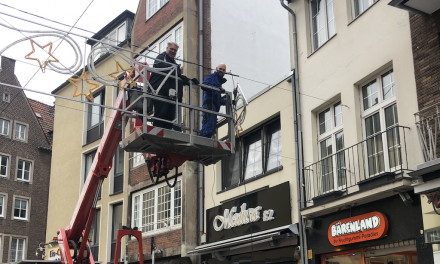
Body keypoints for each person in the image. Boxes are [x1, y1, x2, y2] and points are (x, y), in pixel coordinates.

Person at [149, 42, 197, 129]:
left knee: (170, 117)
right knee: (161, 115)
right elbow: (164, 67)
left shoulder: (174, 63)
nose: (173, 51)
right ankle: (158, 133)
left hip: (171, 95)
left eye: (175, 50)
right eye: (171, 49)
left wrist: (188, 80)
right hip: (160, 92)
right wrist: (177, 71)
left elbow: (177, 76)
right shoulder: (161, 57)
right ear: (167, 48)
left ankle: (166, 133)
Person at [199, 63, 227, 138]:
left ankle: (205, 140)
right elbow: (204, 85)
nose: (221, 71)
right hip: (209, 105)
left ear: (225, 71)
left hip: (214, 106)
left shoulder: (218, 81)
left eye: (223, 70)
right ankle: (202, 140)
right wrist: (216, 89)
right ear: (216, 68)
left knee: (212, 128)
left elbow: (217, 100)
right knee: (208, 124)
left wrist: (228, 102)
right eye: (220, 69)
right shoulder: (212, 77)